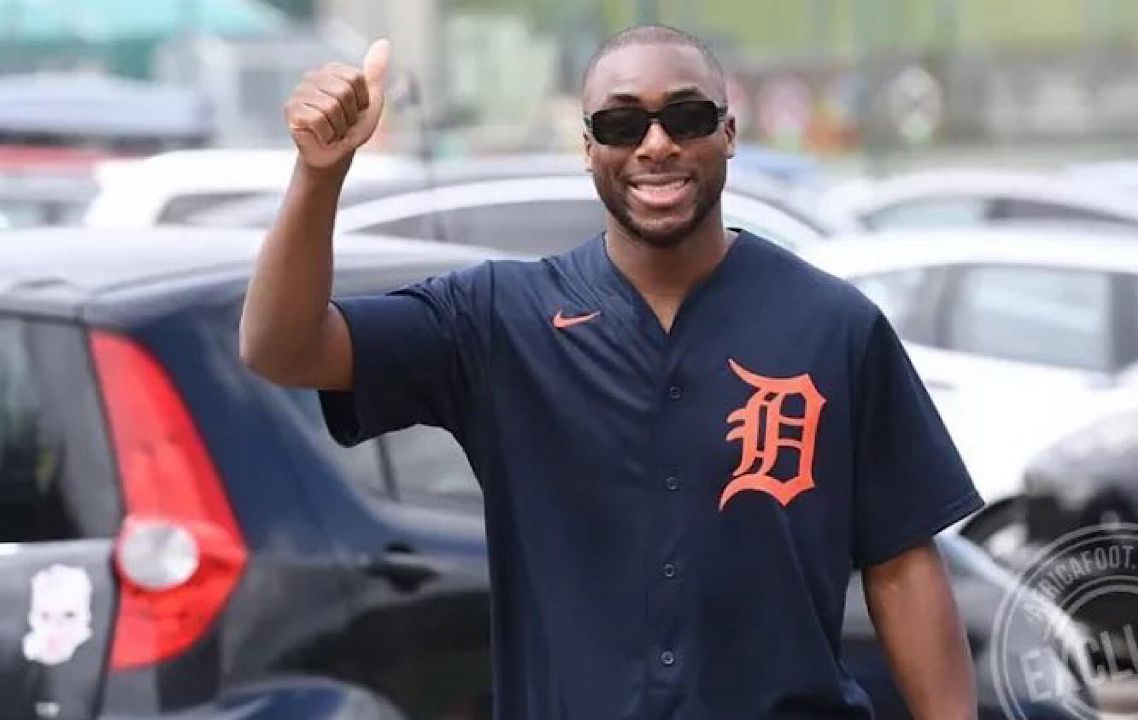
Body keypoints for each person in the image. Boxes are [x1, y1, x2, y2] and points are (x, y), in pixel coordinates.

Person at [241, 24, 984, 720]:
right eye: (622, 124)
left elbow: (902, 566)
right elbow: (282, 349)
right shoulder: (499, 319)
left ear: (728, 134)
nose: (656, 145)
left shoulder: (833, 324)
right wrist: (319, 175)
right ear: (588, 146)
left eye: (686, 117)